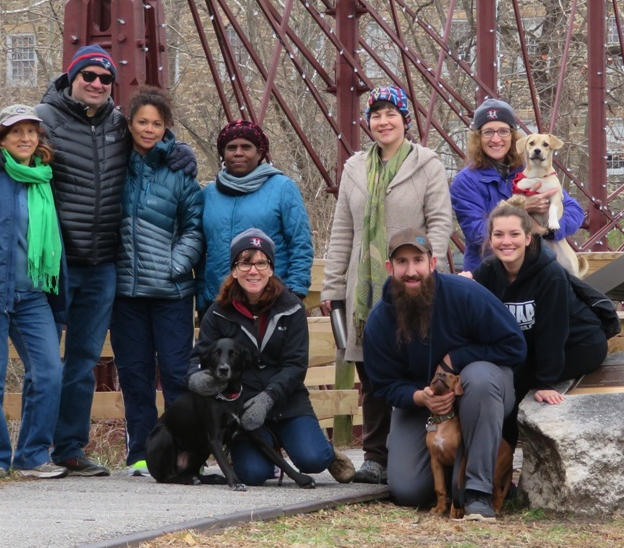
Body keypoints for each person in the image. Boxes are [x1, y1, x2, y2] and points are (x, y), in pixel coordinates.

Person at [0, 45, 196, 477]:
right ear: (71, 77)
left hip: (103, 265)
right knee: (45, 363)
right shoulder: (45, 119)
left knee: (82, 362)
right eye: (88, 75)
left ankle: (68, 448)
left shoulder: (117, 124)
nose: (96, 84)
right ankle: (30, 451)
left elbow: (151, 139)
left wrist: (176, 149)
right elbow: (17, 150)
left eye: (105, 79)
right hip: (54, 264)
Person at [321, 85, 452, 486]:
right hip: (364, 289)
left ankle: (432, 448)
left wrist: (431, 270)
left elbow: (440, 222)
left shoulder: (427, 163)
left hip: (414, 283)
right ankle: (376, 456)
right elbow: (343, 229)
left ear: (405, 120)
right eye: (375, 115)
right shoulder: (354, 169)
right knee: (373, 373)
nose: (383, 121)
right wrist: (331, 285)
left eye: (390, 114)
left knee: (419, 362)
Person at [362, 228, 526, 520]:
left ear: (432, 263)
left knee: (478, 378)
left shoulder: (466, 295)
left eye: (418, 261)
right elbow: (382, 384)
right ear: (390, 268)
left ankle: (478, 493)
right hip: (423, 406)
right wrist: (418, 397)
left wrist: (456, 359)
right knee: (408, 490)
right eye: (402, 263)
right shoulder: (379, 320)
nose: (411, 271)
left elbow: (514, 345)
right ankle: (452, 487)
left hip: (481, 394)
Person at [187, 229, 356, 486]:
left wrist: (268, 398)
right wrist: (196, 378)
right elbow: (199, 357)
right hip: (242, 410)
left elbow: (296, 365)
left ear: (271, 268)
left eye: (261, 263)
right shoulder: (218, 312)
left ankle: (327, 452)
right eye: (244, 262)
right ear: (234, 270)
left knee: (313, 460)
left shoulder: (291, 308)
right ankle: (244, 451)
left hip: (287, 402)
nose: (253, 271)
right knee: (253, 475)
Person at [0, 105, 68, 479]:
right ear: (0, 139)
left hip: (34, 295)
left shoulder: (45, 177)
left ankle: (33, 454)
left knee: (50, 372)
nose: (25, 138)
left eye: (31, 131)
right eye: (16, 131)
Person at [110, 86, 204, 476]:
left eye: (157, 123)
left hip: (171, 292)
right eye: (142, 122)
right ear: (129, 123)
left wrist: (173, 265)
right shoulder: (113, 164)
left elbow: (194, 227)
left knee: (178, 374)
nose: (149, 129)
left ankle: (184, 454)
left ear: (166, 128)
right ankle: (142, 455)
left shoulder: (180, 171)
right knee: (134, 376)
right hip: (125, 292)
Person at [468, 196, 608, 408]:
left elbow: (552, 331)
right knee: (499, 379)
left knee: (517, 381)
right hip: (531, 347)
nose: (506, 241)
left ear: (527, 238)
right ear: (490, 239)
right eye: (498, 235)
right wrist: (464, 289)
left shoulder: (550, 275)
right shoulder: (488, 271)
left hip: (578, 345)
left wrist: (545, 382)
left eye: (514, 234)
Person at [449, 98, 585, 272]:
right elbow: (477, 233)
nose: (496, 139)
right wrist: (520, 210)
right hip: (490, 272)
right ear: (478, 137)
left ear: (513, 136)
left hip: (535, 270)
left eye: (503, 131)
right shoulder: (466, 181)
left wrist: (547, 231)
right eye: (488, 132)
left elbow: (575, 211)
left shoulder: (531, 171)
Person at [198, 120, 313, 314]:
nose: (238, 153)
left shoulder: (282, 188)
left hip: (270, 300)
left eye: (246, 147)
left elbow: (300, 243)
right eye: (231, 147)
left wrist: (294, 292)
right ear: (223, 154)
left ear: (260, 153)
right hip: (219, 302)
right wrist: (202, 294)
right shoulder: (208, 194)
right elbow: (200, 249)